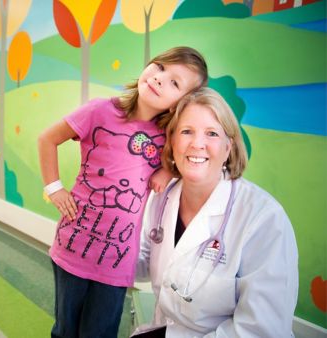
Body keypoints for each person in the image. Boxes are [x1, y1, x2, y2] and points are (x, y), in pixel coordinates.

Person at [38, 46, 208, 338]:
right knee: (66, 330)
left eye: (174, 83)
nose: (159, 78)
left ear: (180, 103)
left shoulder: (168, 136)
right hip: (73, 246)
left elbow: (187, 161)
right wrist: (54, 189)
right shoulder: (100, 110)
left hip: (117, 261)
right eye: (160, 67)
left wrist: (166, 169)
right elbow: (47, 138)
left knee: (100, 332)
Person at [134, 87, 298, 337]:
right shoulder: (162, 198)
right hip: (167, 329)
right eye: (186, 131)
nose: (197, 144)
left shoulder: (264, 218)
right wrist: (101, 242)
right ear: (173, 141)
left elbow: (262, 328)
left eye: (211, 133)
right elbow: (142, 263)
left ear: (228, 147)